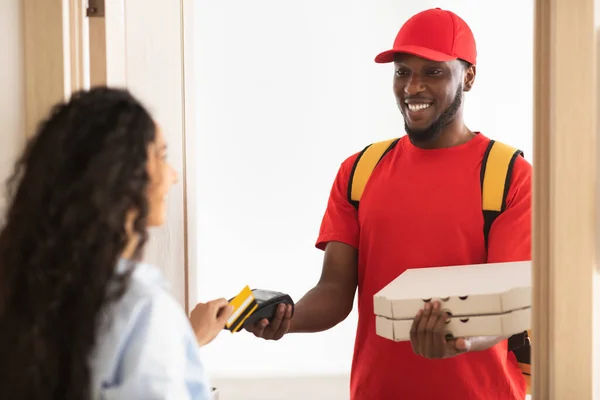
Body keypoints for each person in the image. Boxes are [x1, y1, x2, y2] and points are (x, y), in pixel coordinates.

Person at [246, 8, 532, 400]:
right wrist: (285, 319)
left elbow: (507, 309)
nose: (412, 87)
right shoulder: (359, 171)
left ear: (468, 76)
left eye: (432, 71)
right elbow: (334, 291)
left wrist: (459, 340)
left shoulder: (507, 176)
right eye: (402, 71)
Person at [0, 87, 233, 400]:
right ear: (123, 172)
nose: (173, 176)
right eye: (161, 156)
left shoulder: (20, 287)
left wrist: (185, 341)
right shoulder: (142, 306)